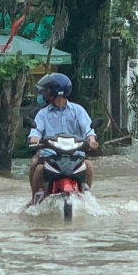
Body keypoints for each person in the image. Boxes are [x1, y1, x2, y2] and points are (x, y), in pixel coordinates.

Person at [27, 73, 98, 201]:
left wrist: (92, 140)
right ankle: (34, 199)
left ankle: (86, 193)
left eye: (47, 90)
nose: (44, 94)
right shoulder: (42, 114)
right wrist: (34, 138)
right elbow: (36, 131)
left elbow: (88, 129)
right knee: (37, 167)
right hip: (50, 154)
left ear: (56, 92)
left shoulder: (78, 110)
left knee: (89, 165)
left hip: (75, 154)